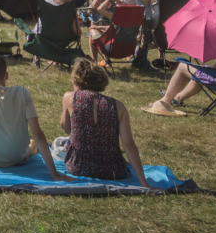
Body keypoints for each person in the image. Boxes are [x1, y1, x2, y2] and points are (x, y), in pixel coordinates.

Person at [53, 58, 155, 188]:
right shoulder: (118, 106)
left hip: (78, 166)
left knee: (59, 143)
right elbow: (129, 145)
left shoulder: (70, 98)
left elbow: (66, 128)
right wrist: (143, 183)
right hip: (113, 170)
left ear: (76, 80)